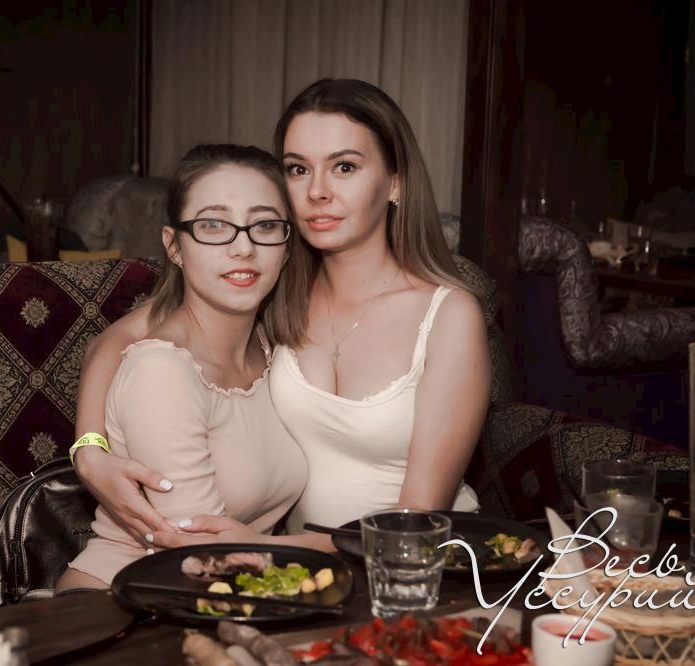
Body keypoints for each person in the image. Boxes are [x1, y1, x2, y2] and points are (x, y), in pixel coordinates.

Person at [72, 79, 492, 552]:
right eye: (298, 169)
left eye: (345, 167)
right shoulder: (271, 286)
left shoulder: (448, 315)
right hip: (298, 576)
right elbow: (115, 341)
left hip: (416, 568)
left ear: (395, 181)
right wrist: (89, 448)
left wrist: (261, 548)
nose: (317, 191)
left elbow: (415, 527)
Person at [56, 144, 320, 592]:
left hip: (233, 597)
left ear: (287, 246)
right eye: (213, 225)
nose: (243, 247)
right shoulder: (162, 370)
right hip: (124, 600)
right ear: (174, 246)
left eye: (264, 225)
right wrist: (334, 555)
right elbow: (198, 553)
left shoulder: (272, 348)